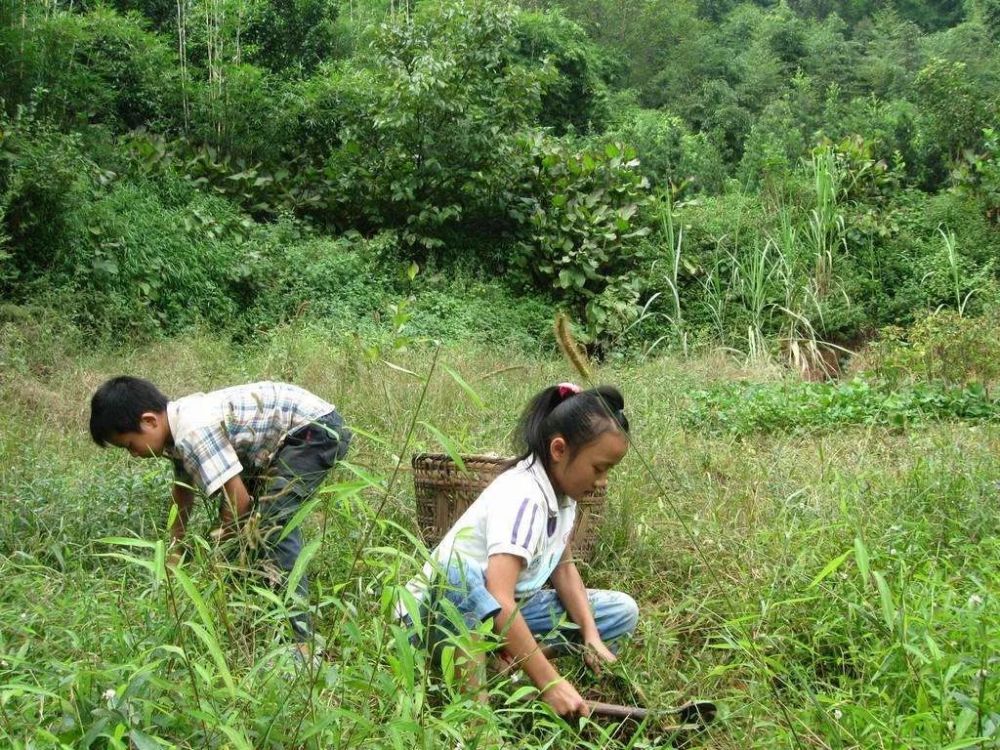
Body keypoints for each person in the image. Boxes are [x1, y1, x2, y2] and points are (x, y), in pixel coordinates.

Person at [401, 383, 637, 718]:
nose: (601, 481)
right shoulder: (523, 495)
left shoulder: (564, 495)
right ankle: (477, 719)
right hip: (434, 618)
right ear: (559, 449)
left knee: (620, 611)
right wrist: (548, 682)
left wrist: (591, 634)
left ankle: (503, 660)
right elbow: (497, 595)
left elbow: (564, 567)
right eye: (599, 468)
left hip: (494, 613)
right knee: (458, 574)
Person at [89, 376, 351, 650]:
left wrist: (219, 555)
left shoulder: (192, 431)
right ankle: (258, 604)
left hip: (314, 430)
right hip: (288, 436)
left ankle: (300, 642)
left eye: (130, 445)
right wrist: (175, 551)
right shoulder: (175, 429)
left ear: (149, 421)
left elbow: (237, 501)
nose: (132, 454)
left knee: (273, 522)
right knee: (250, 523)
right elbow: (182, 493)